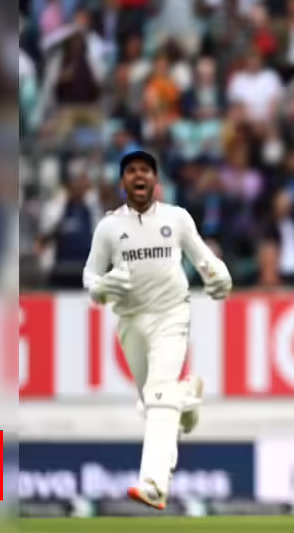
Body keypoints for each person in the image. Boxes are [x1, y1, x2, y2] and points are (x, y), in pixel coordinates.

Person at [82, 150, 233, 509]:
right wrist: (101, 289)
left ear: (155, 179)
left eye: (145, 171)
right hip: (131, 320)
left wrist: (219, 277)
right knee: (153, 403)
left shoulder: (176, 218)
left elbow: (203, 258)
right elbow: (90, 276)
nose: (139, 176)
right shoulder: (109, 227)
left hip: (171, 314)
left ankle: (154, 482)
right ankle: (189, 399)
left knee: (159, 395)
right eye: (131, 171)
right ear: (123, 181)